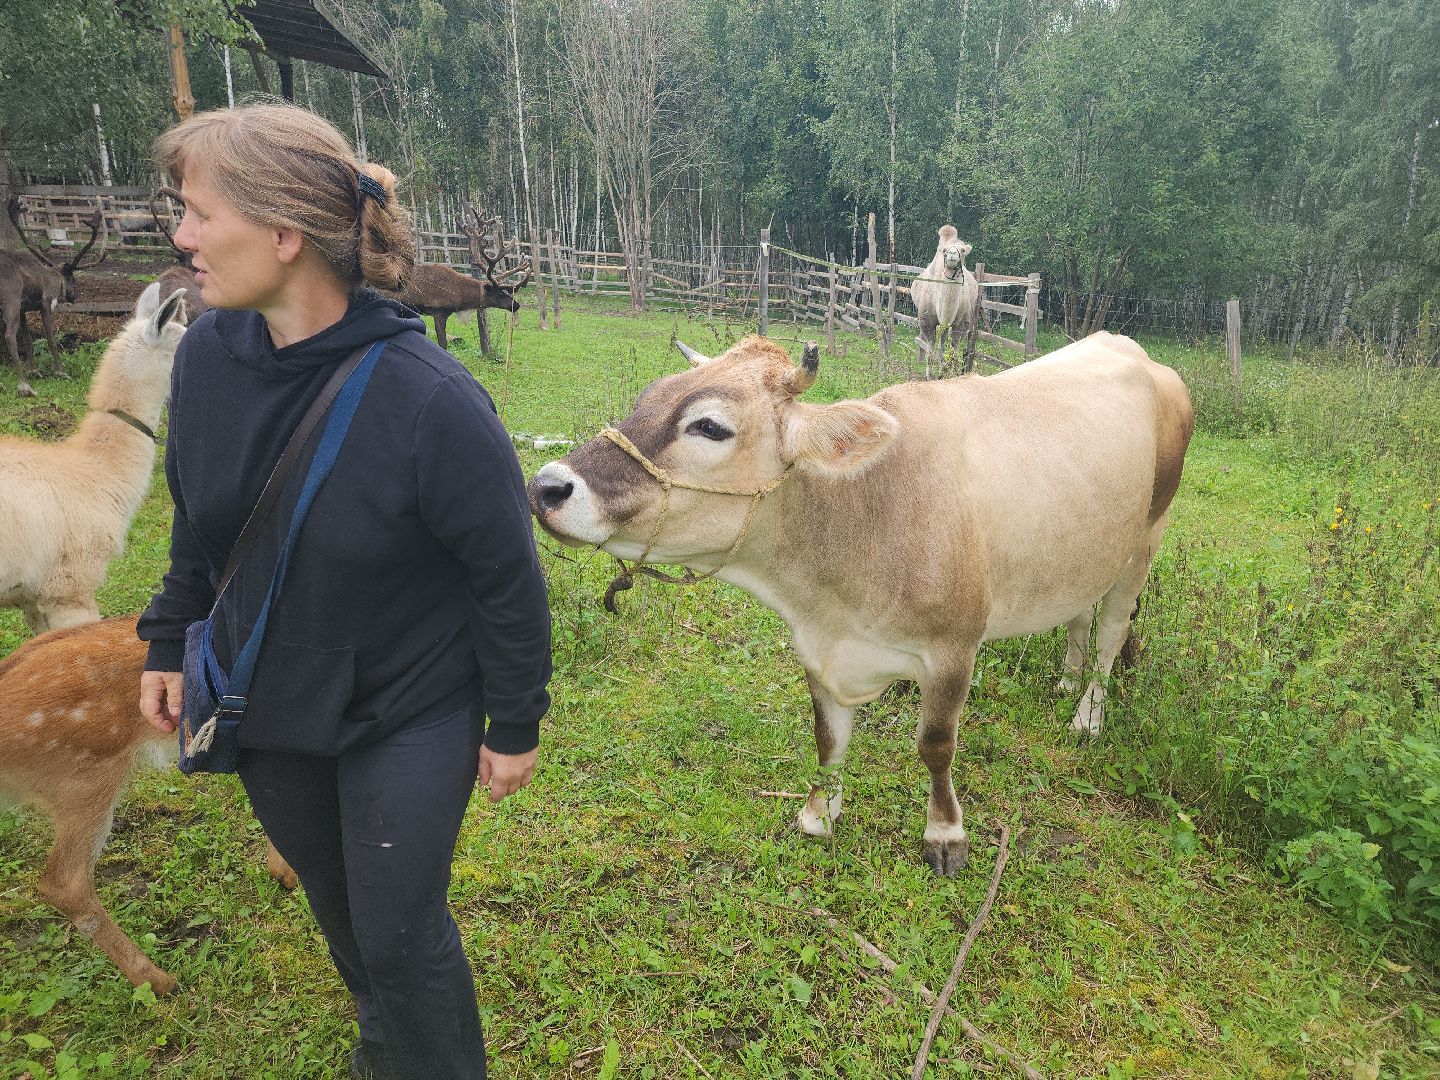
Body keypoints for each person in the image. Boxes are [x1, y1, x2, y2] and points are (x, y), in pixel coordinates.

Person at [136, 103, 552, 1080]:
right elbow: (199, 526)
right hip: (268, 698)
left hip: (408, 707)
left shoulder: (432, 401)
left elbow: (505, 575)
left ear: (284, 236)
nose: (182, 237)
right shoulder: (205, 360)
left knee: (402, 931)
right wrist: (166, 641)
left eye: (199, 213)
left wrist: (515, 719)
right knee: (348, 923)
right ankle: (387, 1050)